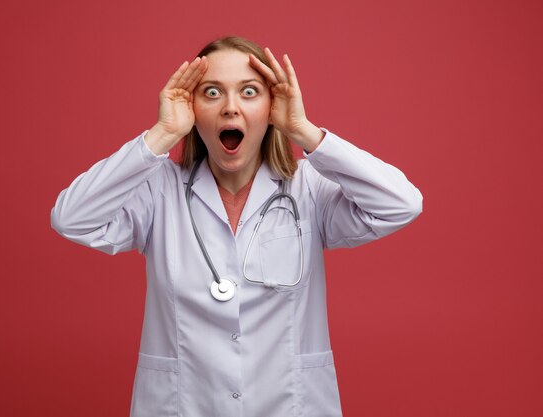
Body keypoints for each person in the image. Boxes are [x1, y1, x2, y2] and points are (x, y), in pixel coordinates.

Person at [51, 36, 422, 417]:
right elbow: (72, 218)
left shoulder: (308, 189)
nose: (231, 108)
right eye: (212, 92)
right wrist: (161, 135)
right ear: (192, 109)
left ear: (271, 108)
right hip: (182, 405)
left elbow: (401, 204)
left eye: (249, 92)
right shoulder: (158, 190)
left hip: (290, 405)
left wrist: (304, 131)